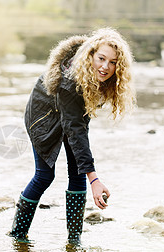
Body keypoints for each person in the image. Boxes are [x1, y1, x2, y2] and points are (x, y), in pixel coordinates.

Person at [9, 27, 135, 245]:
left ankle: (74, 241)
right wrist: (94, 179)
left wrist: (87, 172)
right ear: (92, 56)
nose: (105, 67)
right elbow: (75, 129)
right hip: (43, 118)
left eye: (113, 62)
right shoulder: (71, 81)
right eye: (101, 59)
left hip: (70, 113)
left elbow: (77, 124)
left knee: (77, 173)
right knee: (44, 176)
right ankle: (18, 235)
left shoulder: (96, 74)